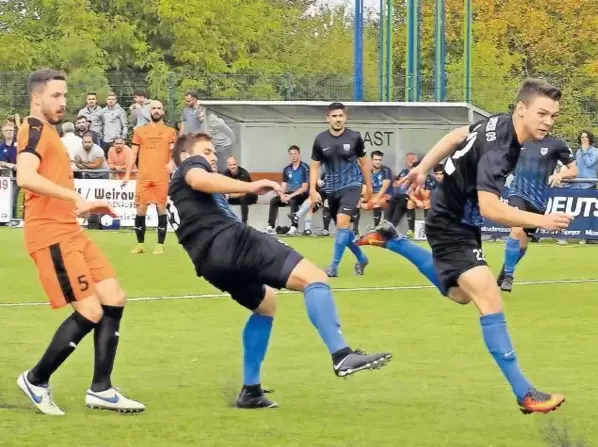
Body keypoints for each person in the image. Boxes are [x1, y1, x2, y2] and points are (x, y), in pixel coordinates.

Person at [356, 79, 573, 414]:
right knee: (489, 296)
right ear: (521, 109)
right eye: (542, 113)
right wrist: (542, 220)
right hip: (450, 222)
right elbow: (491, 208)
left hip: (459, 218)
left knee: (459, 294)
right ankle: (524, 393)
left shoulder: (498, 122)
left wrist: (423, 167)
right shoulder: (501, 150)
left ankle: (392, 240)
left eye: (553, 116)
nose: (548, 121)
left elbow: (458, 135)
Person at [168, 132, 391, 409]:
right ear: (187, 156)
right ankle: (342, 354)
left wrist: (242, 190)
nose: (213, 156)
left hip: (210, 264)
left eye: (214, 152)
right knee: (315, 278)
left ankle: (251, 390)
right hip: (234, 242)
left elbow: (203, 189)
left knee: (266, 304)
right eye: (207, 151)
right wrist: (250, 186)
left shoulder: (178, 188)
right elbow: (198, 179)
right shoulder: (190, 169)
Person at [14, 68, 144, 416]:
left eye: (64, 96)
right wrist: (76, 199)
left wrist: (77, 204)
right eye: (55, 96)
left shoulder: (54, 132)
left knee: (114, 297)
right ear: (36, 97)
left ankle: (101, 388)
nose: (62, 102)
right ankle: (36, 379)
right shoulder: (35, 129)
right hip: (49, 234)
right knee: (89, 310)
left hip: (70, 230)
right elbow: (25, 177)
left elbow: (49, 178)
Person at [497, 136, 577, 292]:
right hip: (517, 192)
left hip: (539, 200)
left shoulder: (557, 144)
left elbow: (574, 170)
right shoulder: (519, 139)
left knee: (523, 243)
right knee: (516, 229)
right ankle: (508, 276)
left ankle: (506, 268)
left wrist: (560, 175)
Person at [308, 103, 372, 277]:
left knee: (343, 224)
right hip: (332, 189)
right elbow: (314, 166)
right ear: (327, 118)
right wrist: (312, 190)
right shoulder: (320, 139)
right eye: (334, 116)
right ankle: (362, 258)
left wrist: (369, 188)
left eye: (340, 116)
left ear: (345, 118)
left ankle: (333, 267)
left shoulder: (354, 137)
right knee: (344, 231)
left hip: (352, 185)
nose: (337, 119)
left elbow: (365, 163)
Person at [123, 101, 177, 255]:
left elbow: (175, 152)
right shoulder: (140, 131)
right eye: (153, 108)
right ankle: (140, 244)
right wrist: (128, 173)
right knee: (141, 208)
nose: (156, 111)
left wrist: (171, 163)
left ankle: (160, 244)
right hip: (144, 176)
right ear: (149, 112)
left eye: (159, 108)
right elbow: (133, 153)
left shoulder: (170, 132)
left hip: (161, 176)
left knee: (161, 207)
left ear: (163, 112)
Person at [359, 150, 393, 229]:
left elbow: (384, 189)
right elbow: (364, 187)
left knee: (377, 202)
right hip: (372, 194)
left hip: (385, 195)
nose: (378, 162)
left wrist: (373, 201)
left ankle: (376, 228)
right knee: (357, 203)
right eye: (376, 160)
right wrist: (362, 199)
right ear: (371, 160)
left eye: (380, 160)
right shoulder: (368, 171)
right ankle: (355, 230)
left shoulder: (386, 170)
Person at [224, 156, 257, 225]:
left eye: (234, 164)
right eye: (230, 165)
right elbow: (223, 191)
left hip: (249, 195)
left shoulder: (243, 173)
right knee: (220, 198)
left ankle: (244, 223)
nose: (233, 166)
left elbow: (243, 192)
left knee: (243, 197)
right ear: (227, 166)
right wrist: (226, 195)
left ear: (237, 164)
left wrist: (229, 195)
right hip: (235, 197)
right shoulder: (225, 174)